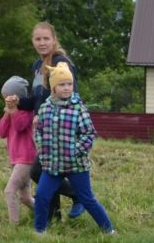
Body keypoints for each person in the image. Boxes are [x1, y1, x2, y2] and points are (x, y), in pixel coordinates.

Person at [32, 63, 115, 234]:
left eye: (69, 84)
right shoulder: (45, 108)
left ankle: (109, 231)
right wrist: (42, 150)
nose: (66, 88)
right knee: (41, 196)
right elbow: (38, 131)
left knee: (87, 198)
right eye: (62, 84)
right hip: (52, 165)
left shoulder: (78, 108)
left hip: (76, 165)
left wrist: (75, 150)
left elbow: (89, 133)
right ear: (53, 87)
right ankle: (39, 231)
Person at [27, 20, 81, 217]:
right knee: (49, 170)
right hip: (44, 128)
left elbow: (71, 95)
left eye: (46, 38)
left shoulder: (61, 62)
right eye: (38, 39)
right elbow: (35, 98)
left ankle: (78, 195)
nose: (42, 42)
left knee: (37, 171)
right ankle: (53, 215)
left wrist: (46, 116)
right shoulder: (37, 65)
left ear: (54, 40)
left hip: (61, 125)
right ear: (33, 41)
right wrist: (15, 103)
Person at [0, 76, 36, 224]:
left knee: (9, 190)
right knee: (25, 198)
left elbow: (20, 126)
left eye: (8, 97)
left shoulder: (27, 112)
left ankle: (13, 226)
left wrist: (14, 111)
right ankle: (45, 214)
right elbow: (1, 132)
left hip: (26, 159)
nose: (6, 101)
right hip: (16, 159)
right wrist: (7, 114)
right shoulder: (11, 112)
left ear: (17, 97)